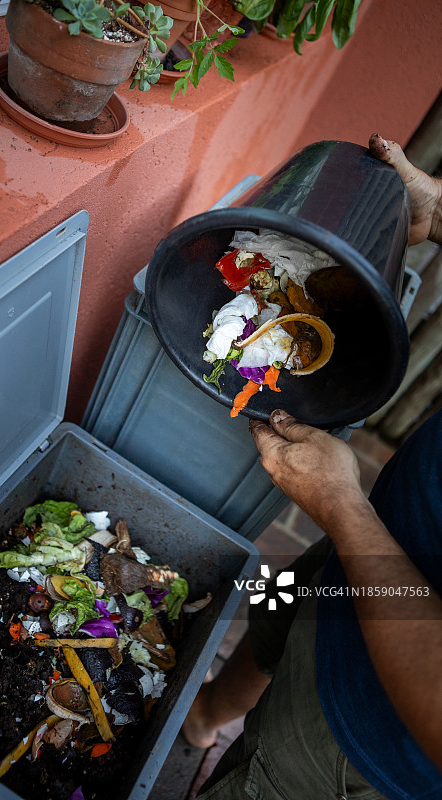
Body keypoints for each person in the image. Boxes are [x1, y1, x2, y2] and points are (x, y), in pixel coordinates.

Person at [182, 134, 442, 800]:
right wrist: (436, 214)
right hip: (369, 552)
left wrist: (344, 510)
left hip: (359, 734)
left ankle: (226, 743)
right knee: (280, 610)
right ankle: (207, 714)